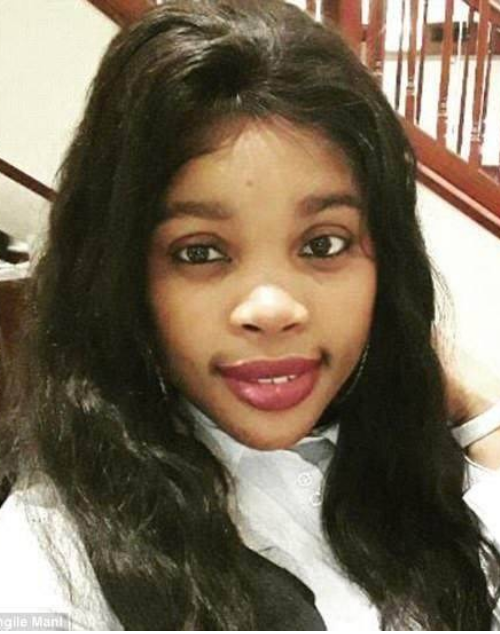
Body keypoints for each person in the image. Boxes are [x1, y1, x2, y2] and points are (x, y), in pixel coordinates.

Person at [0, 0, 499, 630]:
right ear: (121, 276)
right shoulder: (50, 572)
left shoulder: (410, 465)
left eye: (324, 244)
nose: (272, 309)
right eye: (200, 252)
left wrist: (477, 401)